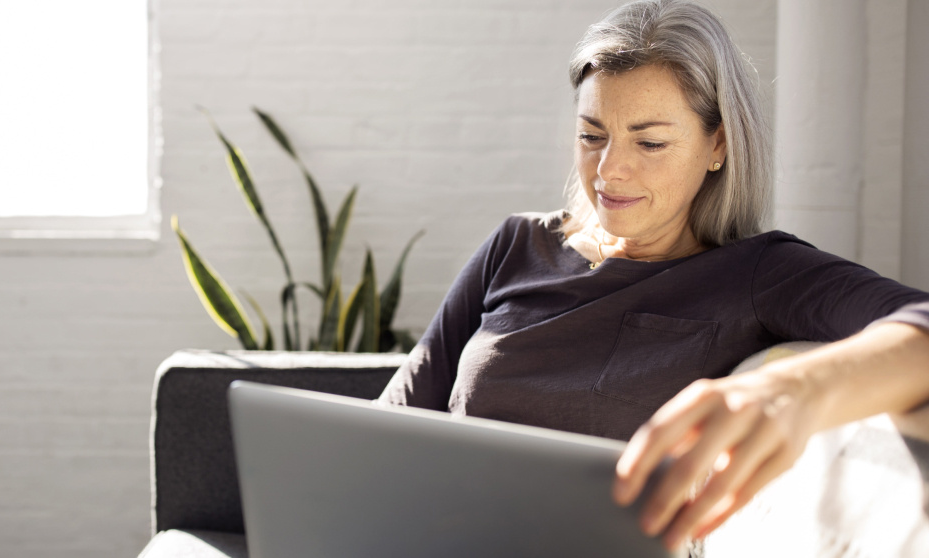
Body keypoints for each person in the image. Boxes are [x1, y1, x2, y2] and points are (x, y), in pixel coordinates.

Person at [377, 0, 929, 552]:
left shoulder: (758, 272)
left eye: (650, 143)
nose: (610, 169)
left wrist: (796, 389)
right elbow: (388, 431)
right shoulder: (517, 245)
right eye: (592, 135)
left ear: (719, 144)